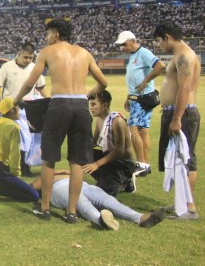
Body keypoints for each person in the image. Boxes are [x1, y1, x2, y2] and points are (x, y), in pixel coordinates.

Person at [14, 18, 107, 223]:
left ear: (56, 35)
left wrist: (16, 98)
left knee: (49, 159)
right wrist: (88, 94)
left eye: (48, 34)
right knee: (77, 162)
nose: (46, 38)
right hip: (81, 107)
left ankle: (45, 209)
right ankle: (71, 212)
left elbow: (31, 82)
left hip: (59, 105)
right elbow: (103, 82)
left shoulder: (48, 52)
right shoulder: (84, 53)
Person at [154, 22, 201, 220]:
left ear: (167, 37)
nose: (158, 45)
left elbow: (185, 88)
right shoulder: (180, 54)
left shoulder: (184, 56)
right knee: (178, 159)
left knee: (185, 159)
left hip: (183, 115)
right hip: (176, 112)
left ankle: (189, 208)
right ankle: (181, 203)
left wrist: (177, 118)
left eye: (158, 41)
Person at [31, 170, 166, 230]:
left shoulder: (57, 170)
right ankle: (100, 220)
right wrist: (53, 172)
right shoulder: (40, 178)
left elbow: (76, 171)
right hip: (58, 188)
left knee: (107, 200)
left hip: (83, 184)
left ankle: (140, 218)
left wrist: (53, 171)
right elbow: (34, 187)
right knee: (81, 201)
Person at [0, 43, 50, 176]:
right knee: (7, 140)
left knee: (27, 140)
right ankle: (3, 166)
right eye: (25, 57)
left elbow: (41, 87)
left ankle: (24, 167)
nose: (28, 60)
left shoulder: (35, 68)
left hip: (28, 109)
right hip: (9, 109)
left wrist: (51, 101)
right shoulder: (7, 67)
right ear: (19, 53)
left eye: (30, 58)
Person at [114, 30, 166, 177]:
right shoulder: (133, 55)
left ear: (132, 40)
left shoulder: (143, 52)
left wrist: (145, 81)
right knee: (143, 131)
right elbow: (133, 79)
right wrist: (128, 97)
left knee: (133, 128)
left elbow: (160, 66)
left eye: (124, 44)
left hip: (143, 98)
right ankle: (146, 164)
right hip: (138, 97)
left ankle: (141, 163)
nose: (122, 48)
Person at [82, 91, 137, 195]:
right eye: (90, 105)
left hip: (123, 163)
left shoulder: (117, 121)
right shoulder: (99, 119)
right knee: (82, 153)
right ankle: (105, 178)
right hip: (109, 157)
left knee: (106, 191)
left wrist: (97, 164)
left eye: (94, 104)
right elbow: (94, 142)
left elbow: (119, 151)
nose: (91, 108)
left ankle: (126, 180)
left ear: (105, 105)